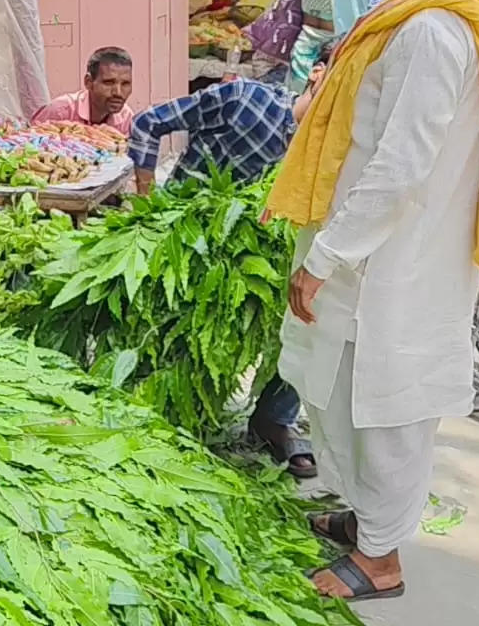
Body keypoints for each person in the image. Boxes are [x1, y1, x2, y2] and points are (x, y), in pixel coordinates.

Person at [268, 0, 479, 601]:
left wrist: (324, 255)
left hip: (392, 253)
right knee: (358, 390)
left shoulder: (430, 26)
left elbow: (398, 164)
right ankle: (366, 520)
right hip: (409, 243)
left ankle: (379, 559)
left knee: (380, 399)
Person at [128, 54, 331, 478]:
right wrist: (146, 205)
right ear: (318, 75)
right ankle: (167, 411)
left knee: (312, 314)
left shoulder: (330, 150)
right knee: (171, 338)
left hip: (255, 256)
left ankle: (273, 419)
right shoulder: (243, 99)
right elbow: (149, 123)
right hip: (184, 238)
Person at [32, 46, 134, 131]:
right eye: (108, 83)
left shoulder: (126, 118)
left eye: (125, 84)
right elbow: (27, 146)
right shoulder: (60, 112)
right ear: (88, 82)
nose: (118, 93)